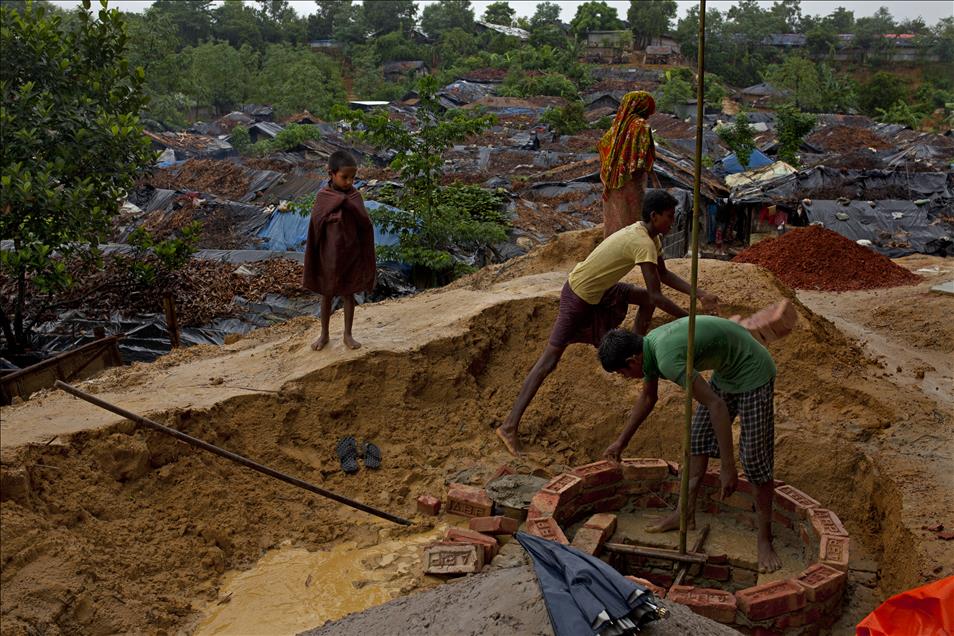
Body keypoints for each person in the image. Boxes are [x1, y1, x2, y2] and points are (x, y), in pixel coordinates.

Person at [494, 190, 719, 455]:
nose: (672, 222)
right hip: (579, 293)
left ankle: (636, 350)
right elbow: (658, 295)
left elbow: (664, 274)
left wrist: (700, 294)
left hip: (603, 290)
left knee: (644, 299)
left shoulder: (651, 237)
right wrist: (692, 318)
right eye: (669, 217)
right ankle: (509, 426)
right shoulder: (642, 242)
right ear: (654, 215)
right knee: (550, 358)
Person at [597, 316, 782, 573]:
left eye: (623, 373)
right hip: (728, 371)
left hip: (753, 371)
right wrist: (620, 442)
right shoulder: (648, 349)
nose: (626, 378)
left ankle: (765, 540)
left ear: (632, 360)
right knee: (697, 441)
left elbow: (716, 405)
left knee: (754, 460)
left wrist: (728, 467)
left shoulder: (666, 359)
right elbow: (648, 398)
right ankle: (684, 515)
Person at [302, 150, 376, 351]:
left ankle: (348, 334)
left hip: (350, 254)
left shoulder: (354, 196)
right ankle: (324, 334)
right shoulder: (323, 197)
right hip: (328, 256)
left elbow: (364, 225)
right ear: (331, 173)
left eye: (353, 177)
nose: (349, 182)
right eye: (345, 177)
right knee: (326, 294)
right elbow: (316, 226)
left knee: (348, 294)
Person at [598, 91, 659, 238]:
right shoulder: (640, 126)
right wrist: (655, 179)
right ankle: (631, 254)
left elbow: (602, 146)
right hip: (632, 181)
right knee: (632, 219)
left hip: (612, 183)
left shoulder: (616, 126)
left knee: (614, 220)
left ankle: (612, 252)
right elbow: (644, 158)